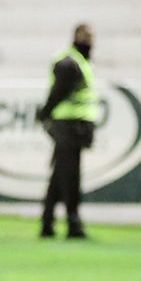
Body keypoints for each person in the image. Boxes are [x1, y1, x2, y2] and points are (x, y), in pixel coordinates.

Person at [35, 24, 97, 240]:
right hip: (68, 125)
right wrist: (45, 113)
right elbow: (58, 92)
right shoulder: (70, 63)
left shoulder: (76, 61)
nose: (90, 42)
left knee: (59, 175)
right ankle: (72, 222)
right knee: (69, 176)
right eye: (87, 37)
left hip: (72, 125)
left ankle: (48, 222)